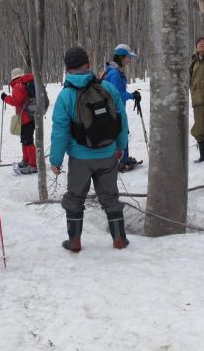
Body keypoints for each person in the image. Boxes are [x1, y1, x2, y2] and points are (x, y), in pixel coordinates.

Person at [50, 47, 130, 252]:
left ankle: (74, 241)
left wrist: (56, 160)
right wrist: (120, 146)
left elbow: (60, 131)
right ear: (87, 64)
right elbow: (121, 120)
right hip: (107, 154)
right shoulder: (107, 88)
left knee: (75, 198)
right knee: (110, 197)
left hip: (79, 158)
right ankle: (119, 238)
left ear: (67, 68)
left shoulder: (65, 95)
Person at [103, 44, 141, 172]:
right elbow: (117, 94)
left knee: (122, 132)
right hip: (114, 110)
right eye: (128, 57)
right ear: (121, 57)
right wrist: (132, 95)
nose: (129, 60)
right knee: (121, 133)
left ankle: (123, 159)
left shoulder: (115, 70)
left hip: (115, 109)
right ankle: (121, 161)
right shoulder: (114, 73)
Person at [1, 68, 38, 174]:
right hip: (29, 117)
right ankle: (26, 161)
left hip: (25, 118)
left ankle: (32, 164)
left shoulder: (18, 85)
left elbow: (16, 101)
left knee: (28, 141)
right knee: (25, 140)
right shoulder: (25, 84)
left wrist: (5, 98)